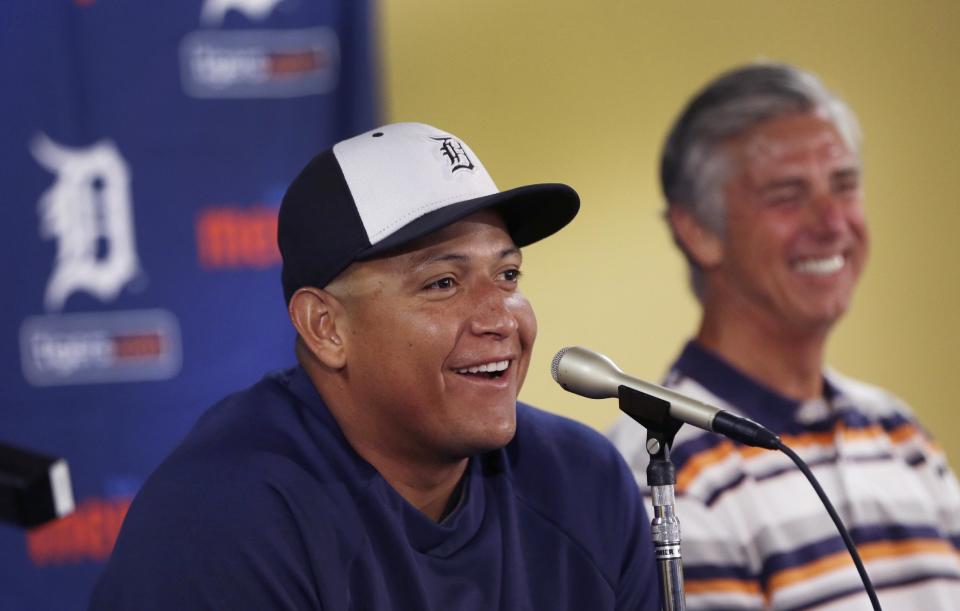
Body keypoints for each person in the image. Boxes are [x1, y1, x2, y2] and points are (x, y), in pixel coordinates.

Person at [90, 122, 660, 610]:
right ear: (325, 327)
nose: (501, 319)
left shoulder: (584, 485)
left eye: (508, 276)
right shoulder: (224, 521)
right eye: (443, 283)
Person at [607, 63, 960, 609]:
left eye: (844, 185)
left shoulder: (901, 436)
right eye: (787, 194)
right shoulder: (664, 470)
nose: (832, 222)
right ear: (697, 230)